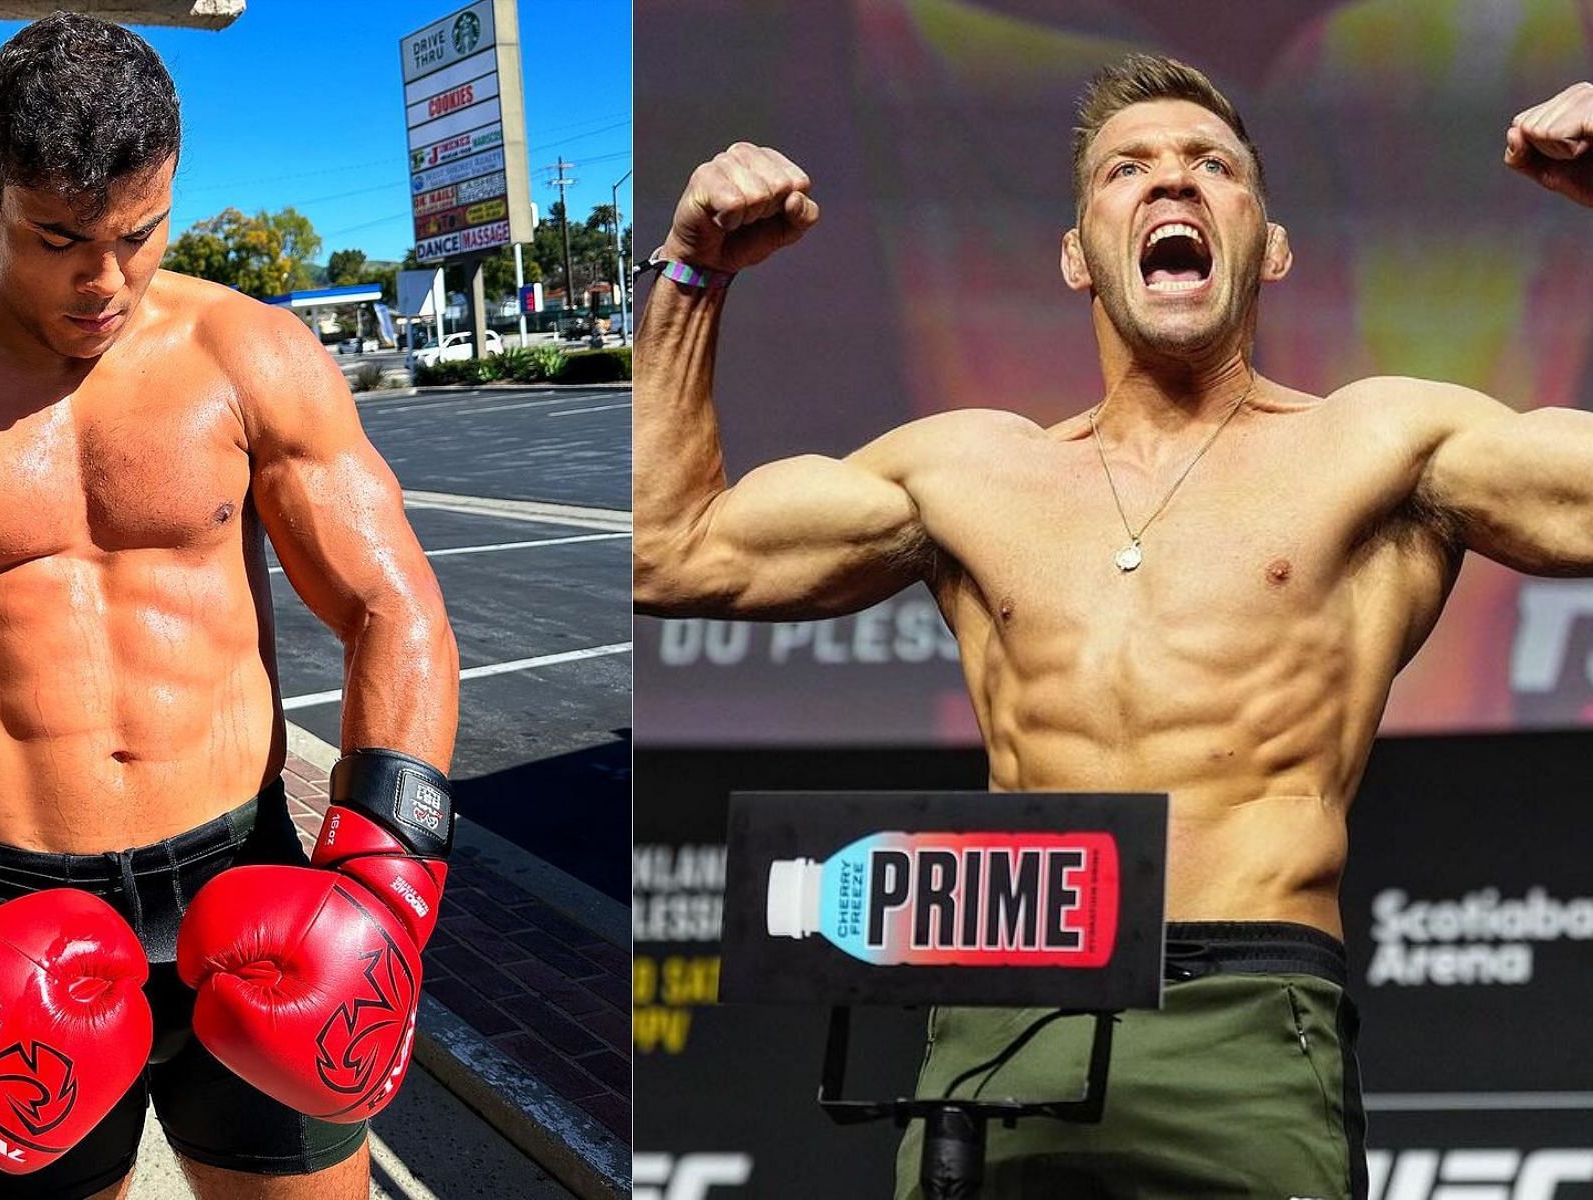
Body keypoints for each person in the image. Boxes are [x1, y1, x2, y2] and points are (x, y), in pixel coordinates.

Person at [633, 54, 1593, 1199]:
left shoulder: (1383, 445)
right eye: (1126, 170)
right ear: (1079, 257)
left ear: (1270, 246)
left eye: (1213, 167)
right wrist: (693, 272)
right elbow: (669, 549)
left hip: (1249, 1010)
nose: (1171, 186)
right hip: (1007, 1001)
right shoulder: (969, 470)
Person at [0, 14, 457, 1200]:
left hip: (253, 887)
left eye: (140, 234)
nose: (104, 280)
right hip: (7, 920)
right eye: (59, 238)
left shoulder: (254, 354)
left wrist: (391, 874)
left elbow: (396, 612)